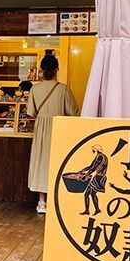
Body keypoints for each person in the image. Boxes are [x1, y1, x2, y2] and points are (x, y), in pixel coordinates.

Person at [27, 55, 78, 214]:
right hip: (58, 129)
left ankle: (41, 202)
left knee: (41, 163)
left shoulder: (35, 89)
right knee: (57, 162)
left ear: (41, 70)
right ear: (57, 69)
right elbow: (73, 112)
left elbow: (30, 112)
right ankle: (55, 201)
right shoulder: (64, 89)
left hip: (40, 130)